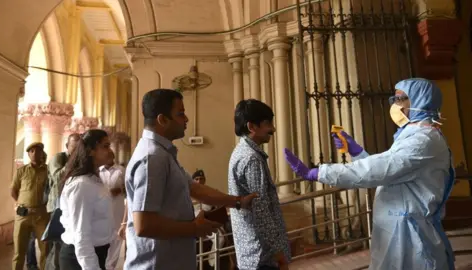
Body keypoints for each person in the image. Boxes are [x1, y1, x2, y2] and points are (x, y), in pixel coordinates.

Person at [284, 78, 455, 270]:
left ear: (419, 100)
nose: (394, 105)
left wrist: (320, 172)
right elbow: (390, 172)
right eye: (394, 99)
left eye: (400, 99)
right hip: (400, 228)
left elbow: (381, 169)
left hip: (410, 235)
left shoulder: (423, 140)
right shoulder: (413, 136)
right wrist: (357, 152)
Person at [124, 88, 257, 270]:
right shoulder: (152, 158)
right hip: (156, 264)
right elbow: (144, 225)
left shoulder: (164, 154)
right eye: (180, 114)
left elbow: (195, 189)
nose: (186, 119)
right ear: (162, 120)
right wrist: (194, 228)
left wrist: (238, 202)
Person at [228, 99, 290, 270]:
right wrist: (279, 253)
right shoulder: (251, 158)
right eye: (268, 123)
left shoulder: (240, 151)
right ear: (252, 127)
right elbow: (260, 209)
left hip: (251, 253)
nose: (273, 129)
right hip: (262, 256)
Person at [59, 130, 114, 270]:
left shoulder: (94, 179)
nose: (110, 151)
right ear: (90, 151)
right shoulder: (82, 184)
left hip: (95, 253)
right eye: (105, 146)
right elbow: (81, 235)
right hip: (80, 259)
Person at [11, 142, 49, 270]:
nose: (34, 153)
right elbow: (13, 190)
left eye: (37, 151)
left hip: (41, 215)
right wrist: (18, 203)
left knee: (45, 249)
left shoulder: (48, 171)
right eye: (31, 151)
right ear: (28, 154)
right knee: (19, 251)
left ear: (42, 153)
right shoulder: (21, 171)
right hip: (23, 215)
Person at [45, 133, 80, 270]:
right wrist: (72, 163)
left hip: (69, 207)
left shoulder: (78, 161)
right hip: (56, 207)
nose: (77, 150)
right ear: (67, 146)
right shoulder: (59, 158)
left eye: (79, 147)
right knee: (56, 243)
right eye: (74, 146)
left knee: (65, 242)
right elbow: (58, 177)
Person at [99, 151, 126, 270]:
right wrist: (106, 193)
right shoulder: (98, 171)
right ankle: (103, 264)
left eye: (110, 156)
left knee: (117, 237)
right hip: (102, 209)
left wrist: (120, 190)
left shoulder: (121, 170)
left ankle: (111, 266)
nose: (108, 158)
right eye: (106, 155)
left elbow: (128, 187)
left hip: (117, 207)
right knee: (103, 235)